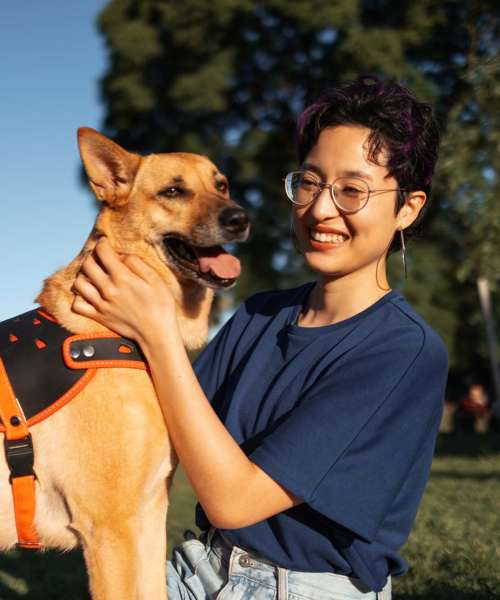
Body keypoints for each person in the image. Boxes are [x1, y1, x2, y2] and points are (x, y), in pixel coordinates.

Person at [72, 76, 449, 600]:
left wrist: (158, 334)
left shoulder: (403, 350)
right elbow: (159, 420)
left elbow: (234, 501)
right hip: (195, 567)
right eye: (311, 182)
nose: (320, 209)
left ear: (407, 208)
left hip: (307, 589)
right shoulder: (260, 315)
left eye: (352, 190)